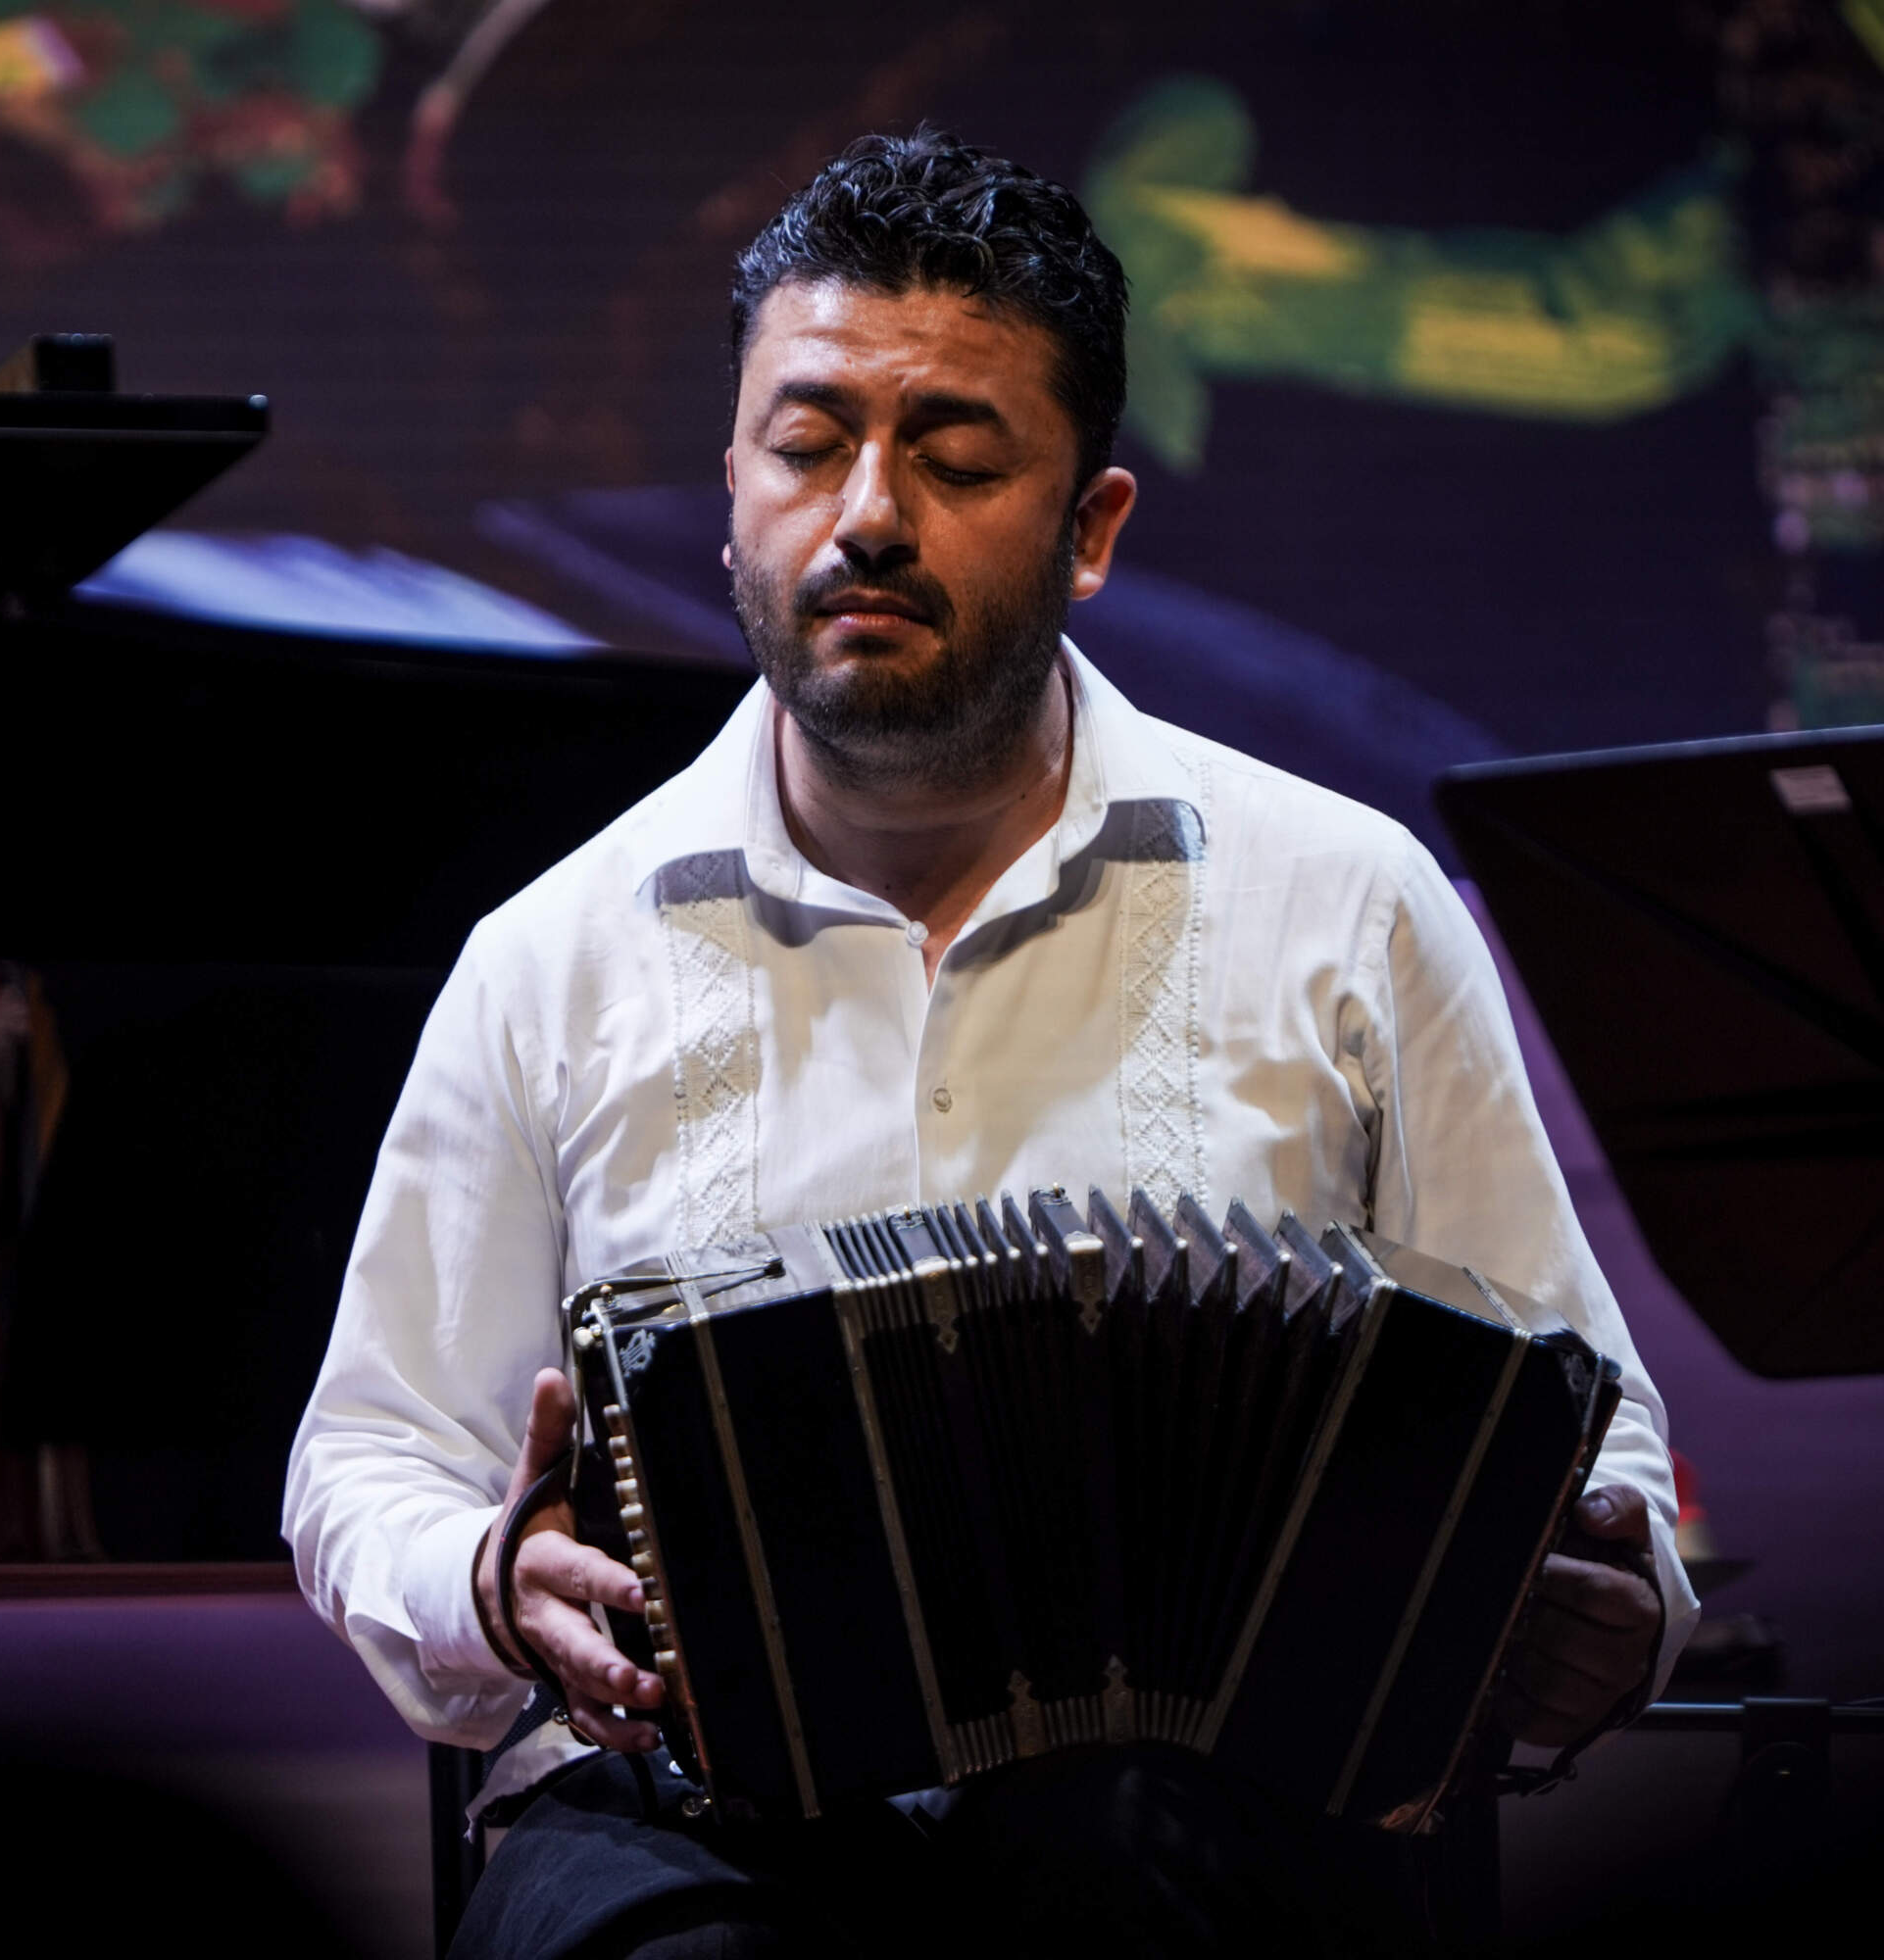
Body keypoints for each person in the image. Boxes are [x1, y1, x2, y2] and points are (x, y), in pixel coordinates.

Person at [286, 128, 1695, 1957]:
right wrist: (488, 1578)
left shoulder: (1348, 904)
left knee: (1122, 1869)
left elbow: (1588, 1429)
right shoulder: (551, 957)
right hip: (687, 1818)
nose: (867, 514)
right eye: (805, 447)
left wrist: (1612, 1609)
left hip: (1197, 1818)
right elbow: (370, 1458)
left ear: (1091, 530)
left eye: (954, 461)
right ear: (731, 492)